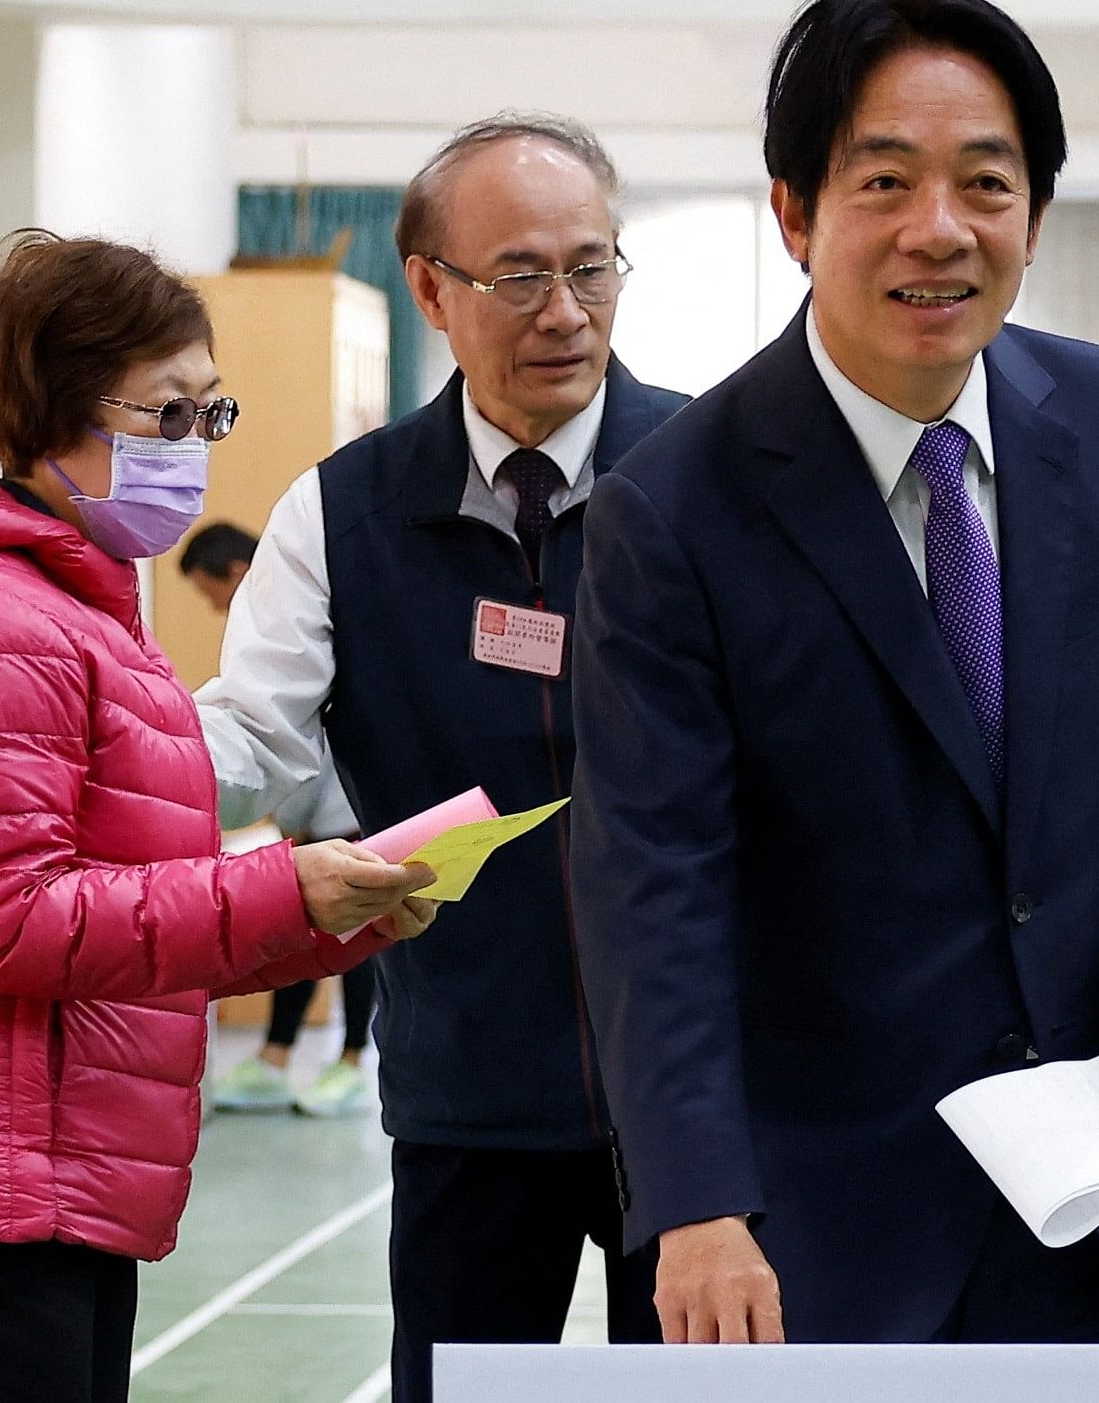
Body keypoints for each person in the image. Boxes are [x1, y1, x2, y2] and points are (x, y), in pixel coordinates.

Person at [569, 0, 1099, 1345]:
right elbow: (650, 888)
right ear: (794, 212)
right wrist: (694, 1203)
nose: (938, 230)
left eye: (984, 183)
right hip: (812, 1223)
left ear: (1032, 213)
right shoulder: (674, 509)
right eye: (884, 180)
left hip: (1090, 1182)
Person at [0, 230, 439, 1403]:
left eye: (213, 413)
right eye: (167, 414)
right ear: (54, 411)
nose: (194, 449)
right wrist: (279, 887)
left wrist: (331, 916)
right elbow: (3, 921)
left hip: (57, 1164)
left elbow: (135, 900)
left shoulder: (84, 613)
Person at [198, 115, 688, 1402]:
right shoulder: (343, 512)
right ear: (430, 287)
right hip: (471, 1081)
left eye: (593, 267)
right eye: (519, 274)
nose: (566, 312)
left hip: (699, 1088)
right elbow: (249, 732)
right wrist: (74, 747)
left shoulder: (715, 477)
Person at [176, 522, 378, 1116]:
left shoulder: (303, 612)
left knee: (356, 930)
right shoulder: (269, 626)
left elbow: (298, 731)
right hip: (313, 807)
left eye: (210, 591)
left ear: (236, 574)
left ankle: (349, 1061)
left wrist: (289, 817)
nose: (212, 606)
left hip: (344, 800)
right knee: (304, 927)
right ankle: (275, 1057)